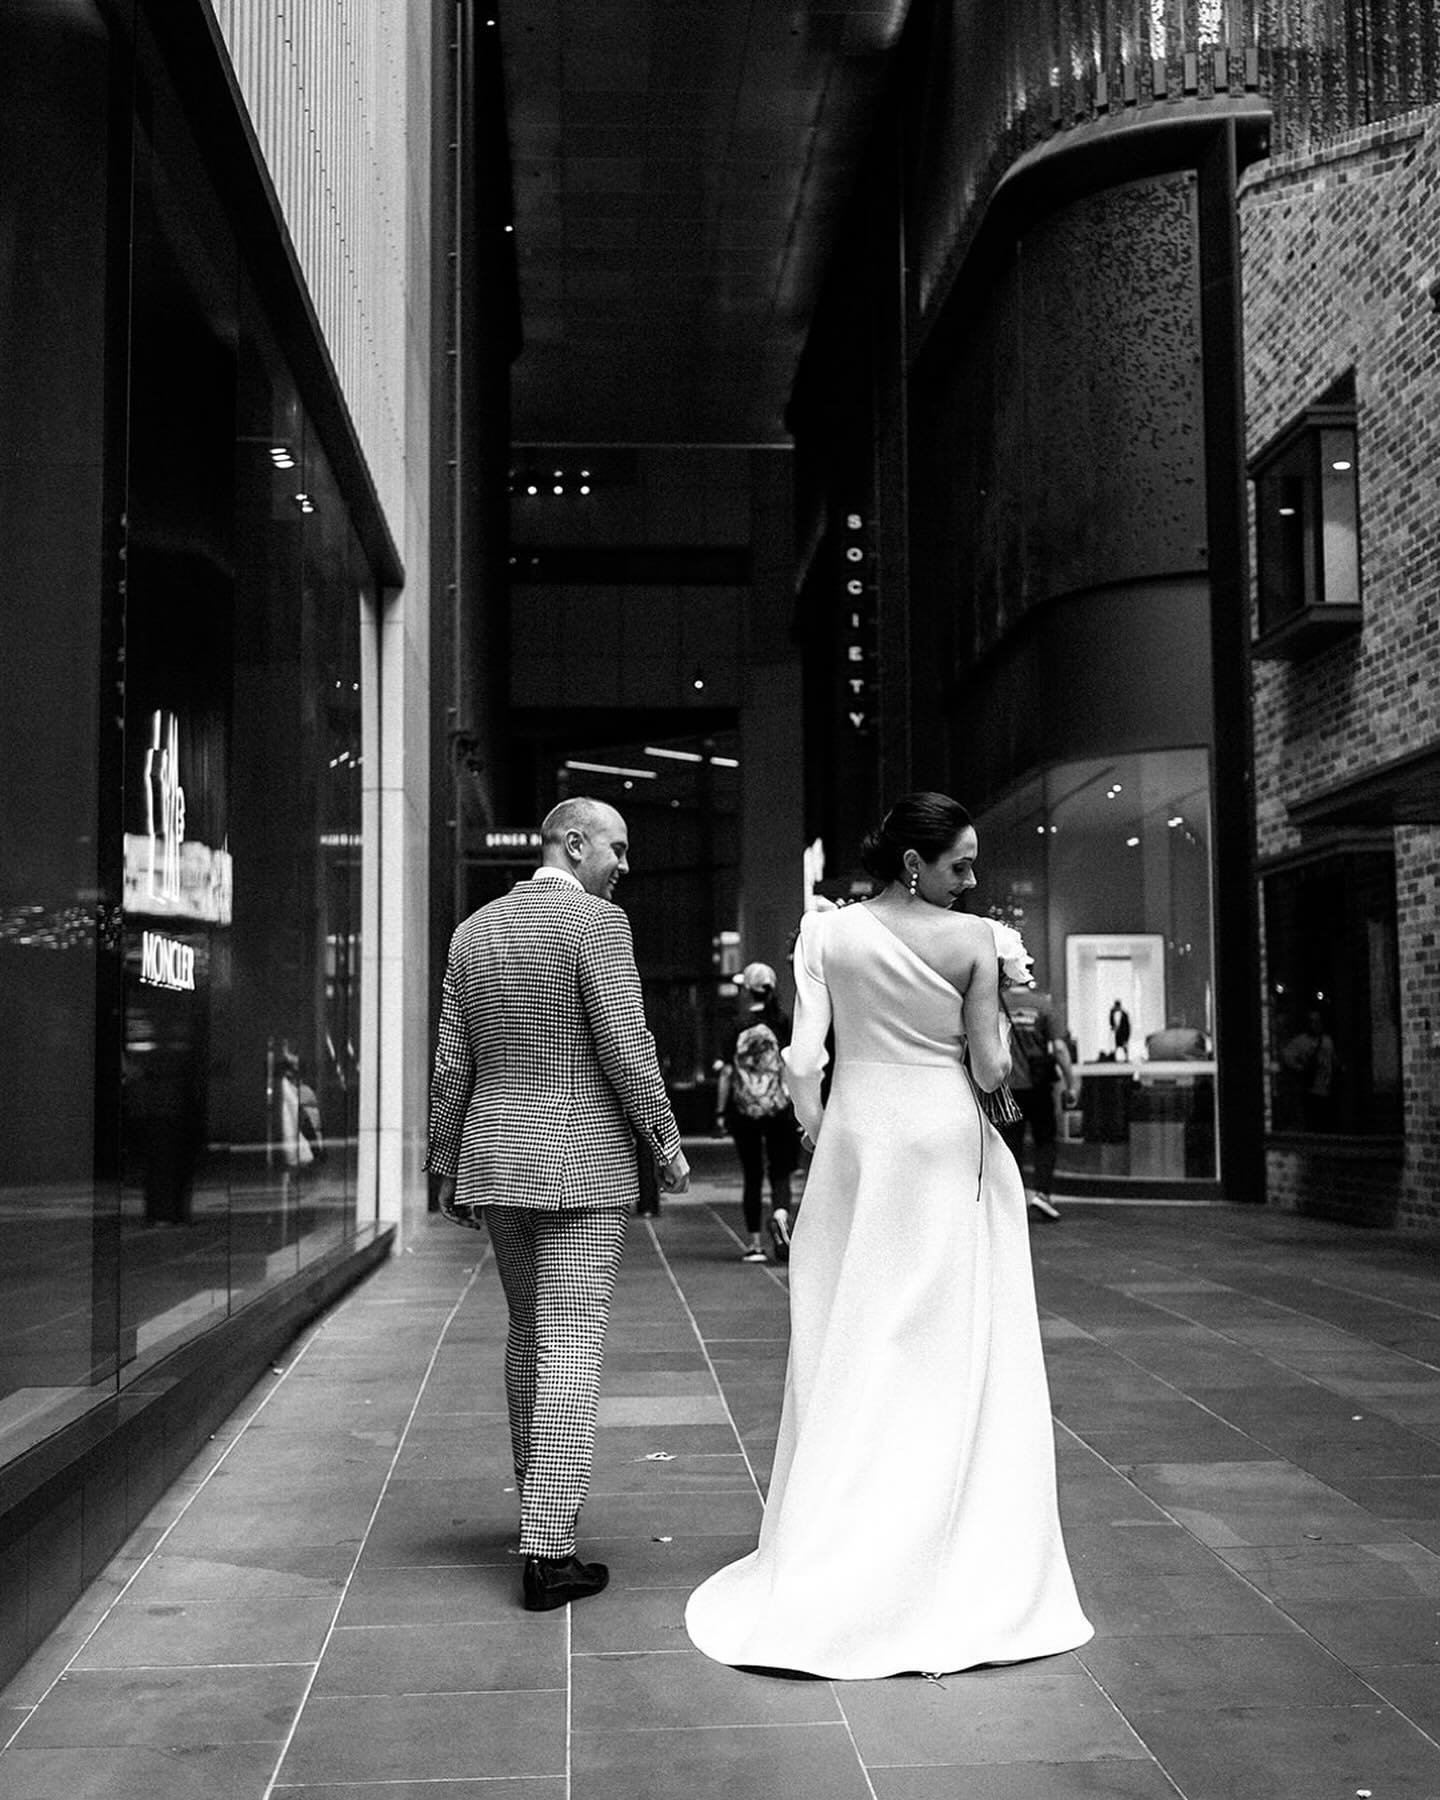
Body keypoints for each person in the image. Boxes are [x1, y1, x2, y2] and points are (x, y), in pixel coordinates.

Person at [685, 792, 1092, 1679]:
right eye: (962, 865)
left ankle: (838, 1531)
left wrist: (819, 1126)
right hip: (946, 1144)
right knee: (955, 1344)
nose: (973, 879)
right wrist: (1004, 1017)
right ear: (917, 863)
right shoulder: (978, 942)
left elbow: (802, 1058)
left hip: (858, 1148)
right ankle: (948, 1538)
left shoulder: (826, 935)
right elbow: (989, 1066)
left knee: (849, 1336)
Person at [425, 797, 690, 1613]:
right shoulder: (597, 928)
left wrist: (444, 1160)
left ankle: (540, 1505)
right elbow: (626, 1044)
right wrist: (666, 1143)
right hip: (581, 1160)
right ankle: (549, 1551)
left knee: (528, 1335)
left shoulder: (474, 931)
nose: (624, 864)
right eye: (617, 847)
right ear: (573, 845)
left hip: (497, 1157)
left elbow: (451, 1060)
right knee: (571, 1344)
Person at [715, 961, 799, 1263]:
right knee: (781, 1172)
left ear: (747, 991)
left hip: (744, 1112)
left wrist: (720, 1114)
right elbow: (793, 1065)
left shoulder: (735, 1026)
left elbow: (726, 1073)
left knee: (752, 1175)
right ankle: (779, 1214)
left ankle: (755, 1245)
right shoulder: (782, 1022)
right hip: (779, 1108)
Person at [1000, 990, 1076, 1221]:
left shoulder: (998, 1003)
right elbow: (1060, 1049)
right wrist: (1071, 1084)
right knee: (1045, 1141)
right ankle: (1043, 1195)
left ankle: (1013, 1198)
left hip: (1007, 1087)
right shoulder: (1043, 1005)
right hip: (1038, 1085)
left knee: (1011, 1145)